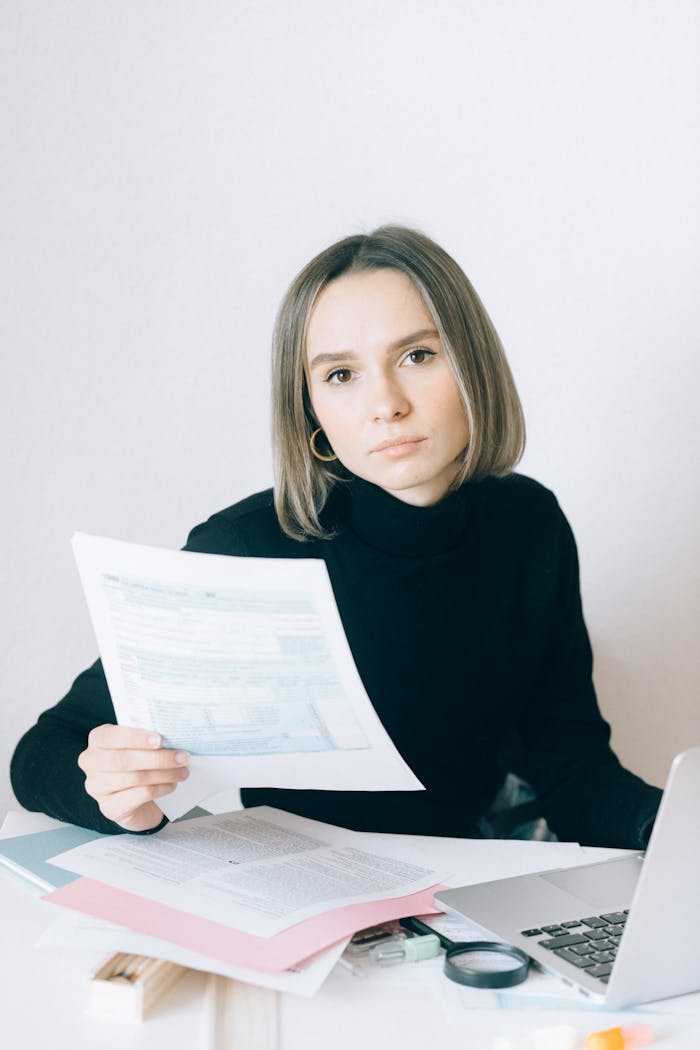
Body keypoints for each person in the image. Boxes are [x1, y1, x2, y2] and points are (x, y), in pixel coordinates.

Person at [10, 225, 662, 846]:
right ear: (312, 411)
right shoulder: (246, 547)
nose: (386, 404)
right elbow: (41, 753)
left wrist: (672, 823)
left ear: (474, 368)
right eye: (341, 375)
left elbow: (574, 773)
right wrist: (114, 793)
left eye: (417, 355)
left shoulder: (530, 525)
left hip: (476, 891)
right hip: (299, 900)